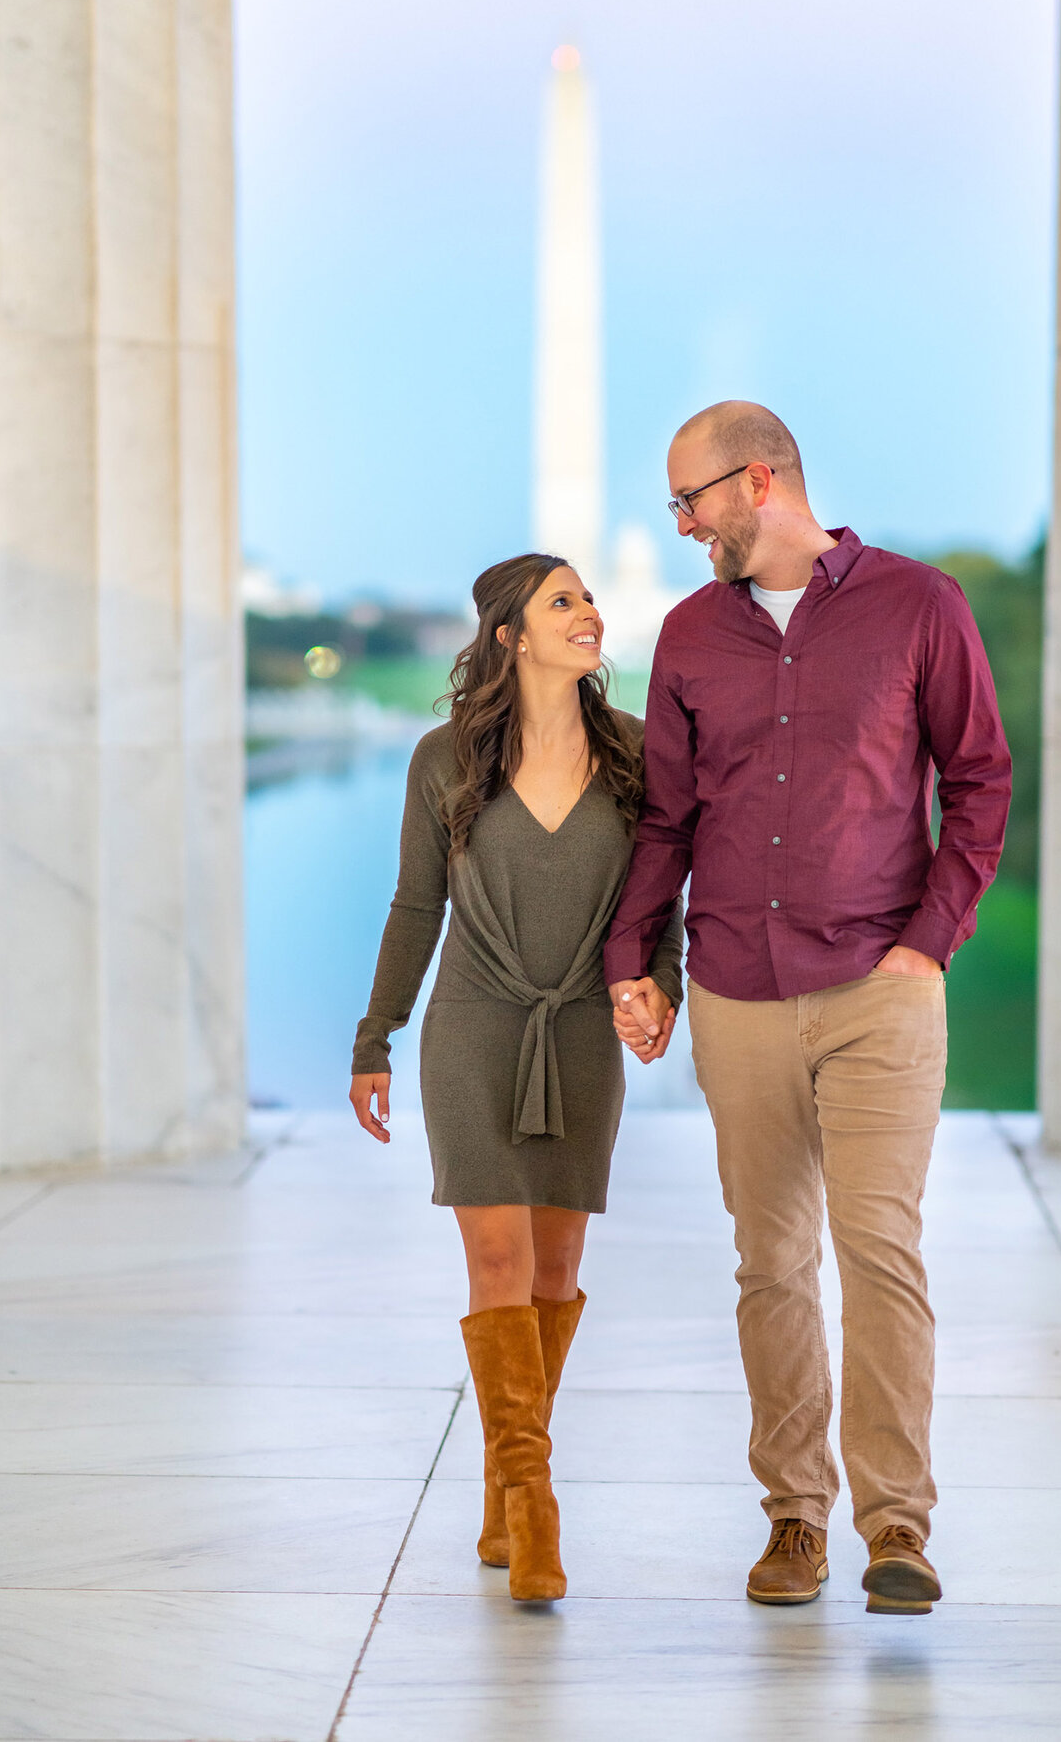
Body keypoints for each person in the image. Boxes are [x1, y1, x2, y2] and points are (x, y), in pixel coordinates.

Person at [604, 401, 1010, 1617]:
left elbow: (978, 779)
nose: (680, 526)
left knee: (878, 1251)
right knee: (769, 1262)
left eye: (692, 501)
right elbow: (669, 818)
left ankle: (897, 1525)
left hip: (879, 986)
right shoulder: (687, 635)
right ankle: (794, 1518)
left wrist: (929, 943)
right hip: (735, 987)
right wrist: (641, 959)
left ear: (762, 479)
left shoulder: (918, 606)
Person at [348, 552, 681, 1601]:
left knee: (552, 1272)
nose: (589, 615)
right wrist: (374, 1035)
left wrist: (658, 986)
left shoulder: (633, 756)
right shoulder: (442, 759)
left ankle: (501, 1484)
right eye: (563, 602)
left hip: (580, 1033)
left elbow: (661, 899)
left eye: (585, 599)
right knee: (495, 1262)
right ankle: (534, 1506)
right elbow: (414, 907)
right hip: (473, 1031)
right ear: (511, 637)